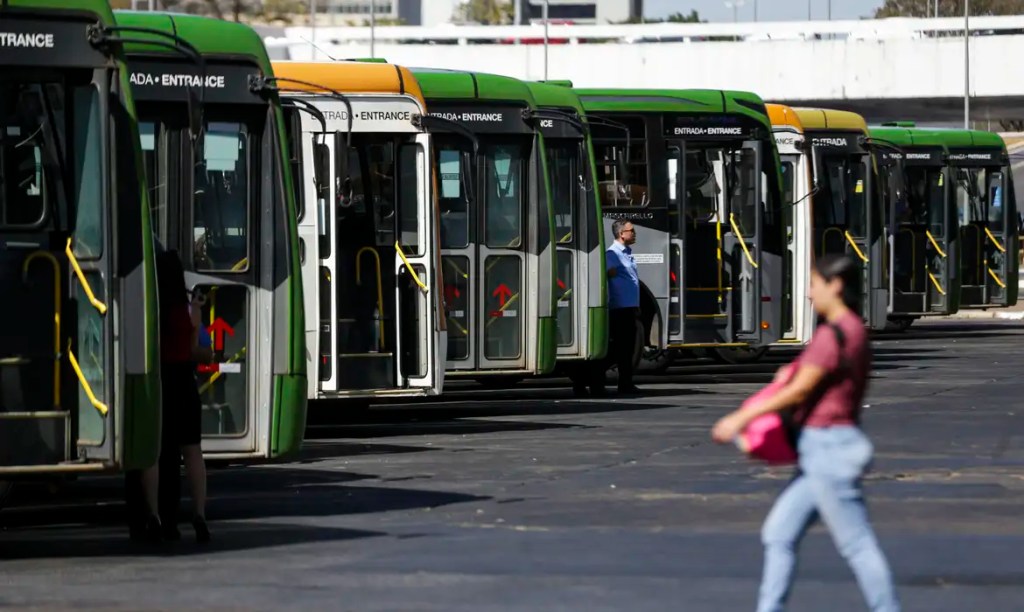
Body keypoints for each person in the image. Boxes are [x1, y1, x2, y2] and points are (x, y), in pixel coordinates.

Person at [711, 254, 899, 612]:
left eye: (814, 284)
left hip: (829, 449)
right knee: (779, 533)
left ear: (835, 285)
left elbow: (800, 391)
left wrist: (741, 417)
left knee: (856, 544)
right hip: (821, 450)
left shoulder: (834, 334)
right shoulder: (854, 330)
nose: (810, 294)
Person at [155, 249, 214, 543]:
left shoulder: (151, 309)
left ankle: (161, 518)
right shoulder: (188, 312)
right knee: (193, 452)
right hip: (185, 384)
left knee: (161, 455)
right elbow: (201, 351)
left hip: (160, 384)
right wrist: (196, 317)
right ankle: (200, 512)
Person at [585, 219, 641, 397]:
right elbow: (604, 274)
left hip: (629, 307)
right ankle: (595, 383)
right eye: (631, 230)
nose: (634, 233)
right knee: (617, 350)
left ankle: (625, 383)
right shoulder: (612, 254)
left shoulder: (626, 253)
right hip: (618, 309)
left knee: (627, 349)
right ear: (621, 234)